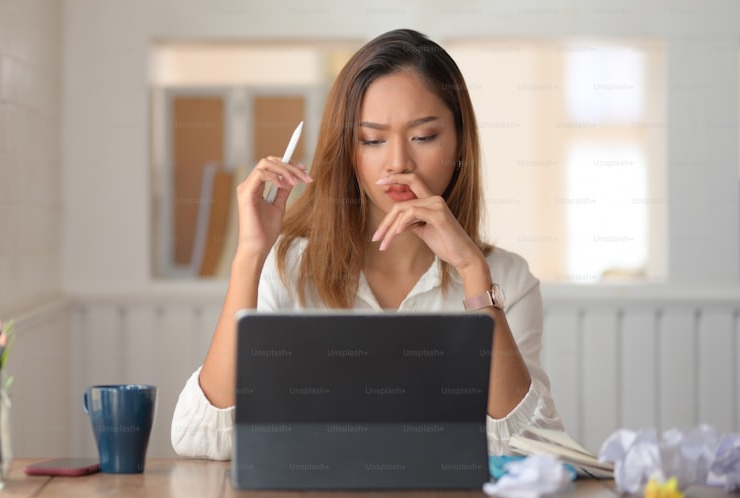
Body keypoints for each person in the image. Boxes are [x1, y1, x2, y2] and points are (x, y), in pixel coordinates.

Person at [170, 28, 564, 460]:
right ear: (348, 152)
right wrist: (250, 255)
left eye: (424, 136)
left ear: (459, 143)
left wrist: (473, 274)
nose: (398, 162)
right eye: (373, 140)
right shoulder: (289, 268)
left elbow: (536, 450)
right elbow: (201, 437)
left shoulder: (506, 278)